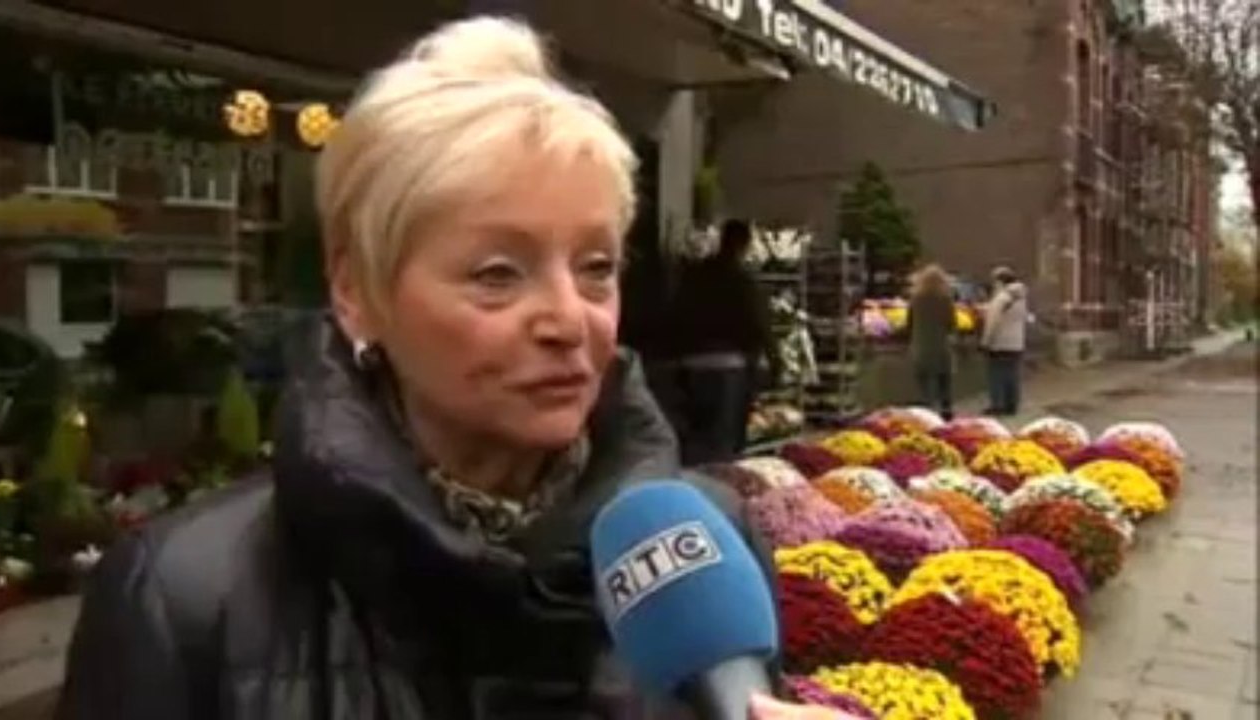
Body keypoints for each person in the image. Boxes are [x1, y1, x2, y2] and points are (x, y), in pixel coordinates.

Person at [55, 17, 803, 720]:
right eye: (497, 273)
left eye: (596, 267)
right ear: (357, 293)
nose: (569, 318)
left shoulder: (706, 543)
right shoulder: (181, 598)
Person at [670, 219, 778, 465]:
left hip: (690, 364)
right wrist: (774, 359)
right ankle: (715, 490)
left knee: (693, 437)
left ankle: (691, 482)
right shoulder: (741, 280)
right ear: (744, 244)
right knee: (723, 442)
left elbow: (676, 312)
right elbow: (758, 322)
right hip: (728, 367)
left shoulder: (696, 276)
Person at [906, 264, 956, 421]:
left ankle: (926, 411)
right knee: (944, 380)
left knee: (924, 380)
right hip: (941, 346)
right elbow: (951, 323)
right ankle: (946, 408)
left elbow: (909, 322)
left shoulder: (916, 298)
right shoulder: (945, 298)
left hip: (921, 345)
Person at [981, 265, 1030, 416]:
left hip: (1000, 343)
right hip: (1016, 343)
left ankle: (997, 405)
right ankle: (1011, 405)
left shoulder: (1002, 298)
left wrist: (985, 342)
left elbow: (992, 322)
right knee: (1012, 375)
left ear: (1000, 281)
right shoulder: (1021, 298)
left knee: (996, 375)